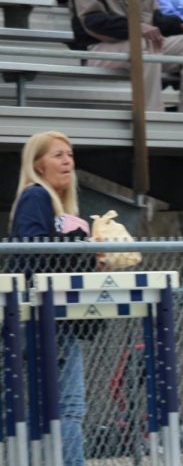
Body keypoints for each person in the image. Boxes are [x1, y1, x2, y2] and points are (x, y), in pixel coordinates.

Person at [9, 131, 99, 466]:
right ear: (38, 166)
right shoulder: (36, 196)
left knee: (48, 410)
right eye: (58, 155)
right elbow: (35, 252)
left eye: (70, 155)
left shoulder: (56, 204)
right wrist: (83, 247)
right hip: (43, 320)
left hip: (53, 319)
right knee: (67, 409)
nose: (67, 162)